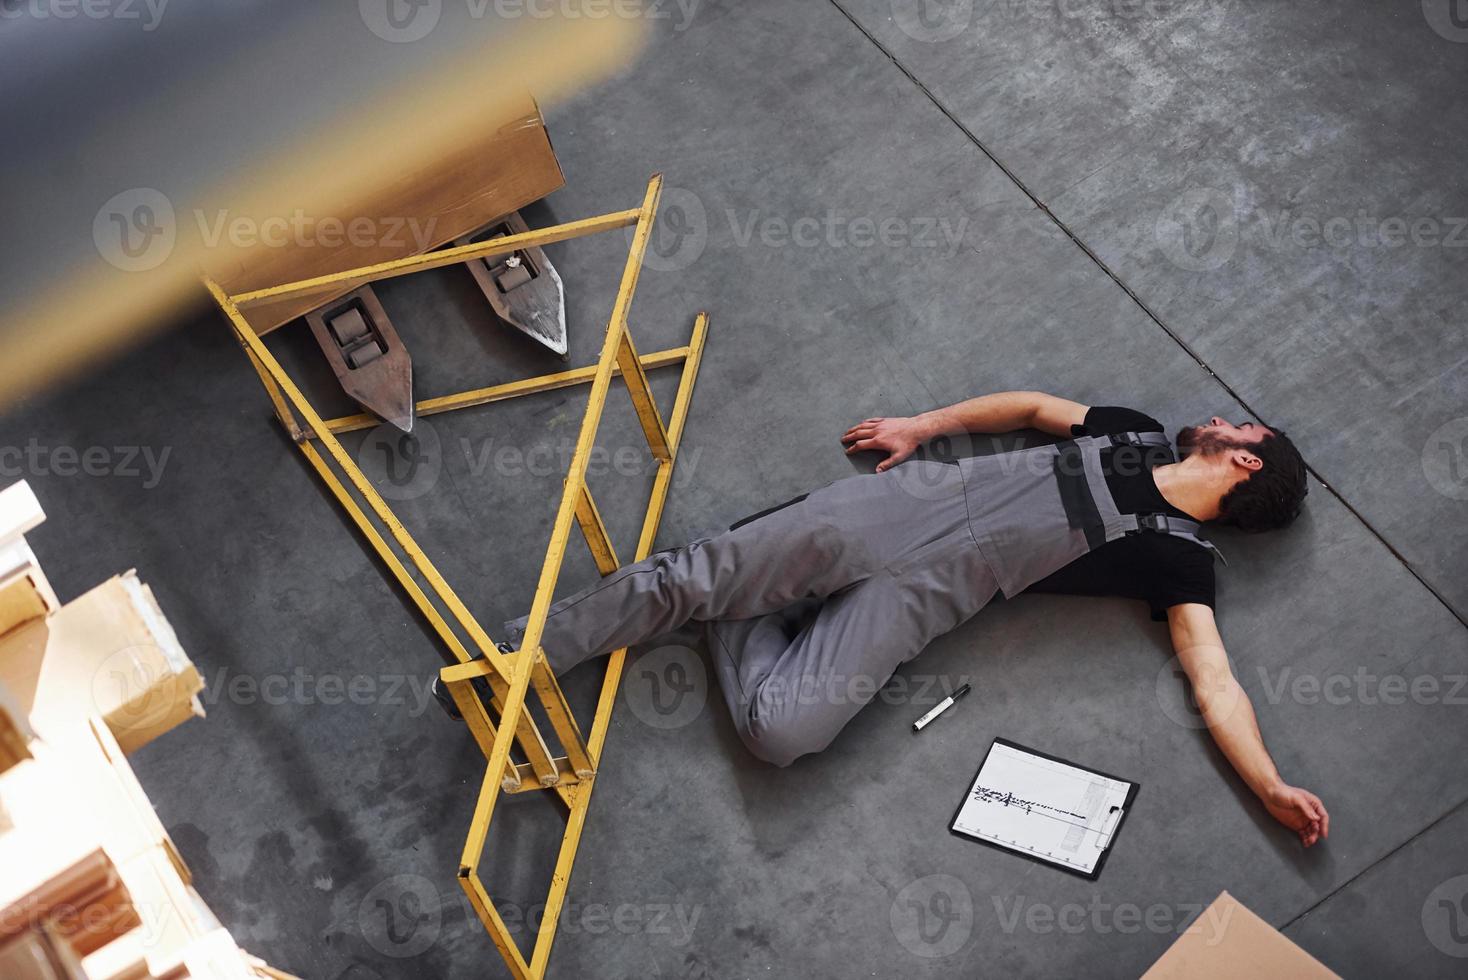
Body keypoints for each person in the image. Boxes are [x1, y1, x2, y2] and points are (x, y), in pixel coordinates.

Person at [478, 391, 1328, 848]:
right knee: (686, 580)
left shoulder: (1180, 559)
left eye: (1236, 423)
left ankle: (743, 590)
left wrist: (1270, 785)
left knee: (784, 735)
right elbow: (1032, 408)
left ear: (1245, 460)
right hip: (898, 511)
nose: (1216, 415)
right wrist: (924, 426)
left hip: (936, 595)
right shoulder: (1133, 433)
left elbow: (1213, 678)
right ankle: (513, 659)